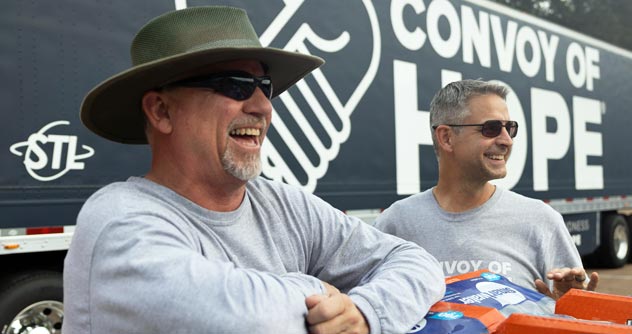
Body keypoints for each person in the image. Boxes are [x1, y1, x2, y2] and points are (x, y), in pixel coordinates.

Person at [62, 6, 445, 334]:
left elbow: (416, 261)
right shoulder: (117, 220)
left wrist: (365, 313)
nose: (263, 107)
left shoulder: (283, 205)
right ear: (161, 111)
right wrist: (321, 291)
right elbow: (235, 319)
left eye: (266, 86)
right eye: (235, 85)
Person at [374, 79, 599, 300]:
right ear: (447, 137)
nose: (507, 140)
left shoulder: (541, 221)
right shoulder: (395, 223)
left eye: (510, 128)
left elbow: (577, 313)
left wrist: (570, 307)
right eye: (491, 129)